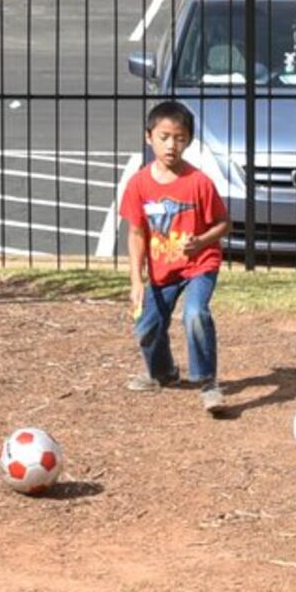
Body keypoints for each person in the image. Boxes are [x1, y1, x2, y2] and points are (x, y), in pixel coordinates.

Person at [113, 100, 229, 415]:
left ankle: (207, 384)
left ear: (188, 140)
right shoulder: (139, 184)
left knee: (195, 314)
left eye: (179, 138)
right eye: (164, 137)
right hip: (163, 271)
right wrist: (136, 281)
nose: (171, 145)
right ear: (149, 137)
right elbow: (136, 233)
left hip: (199, 266)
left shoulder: (199, 183)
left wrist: (202, 241)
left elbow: (223, 223)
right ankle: (162, 372)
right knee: (146, 327)